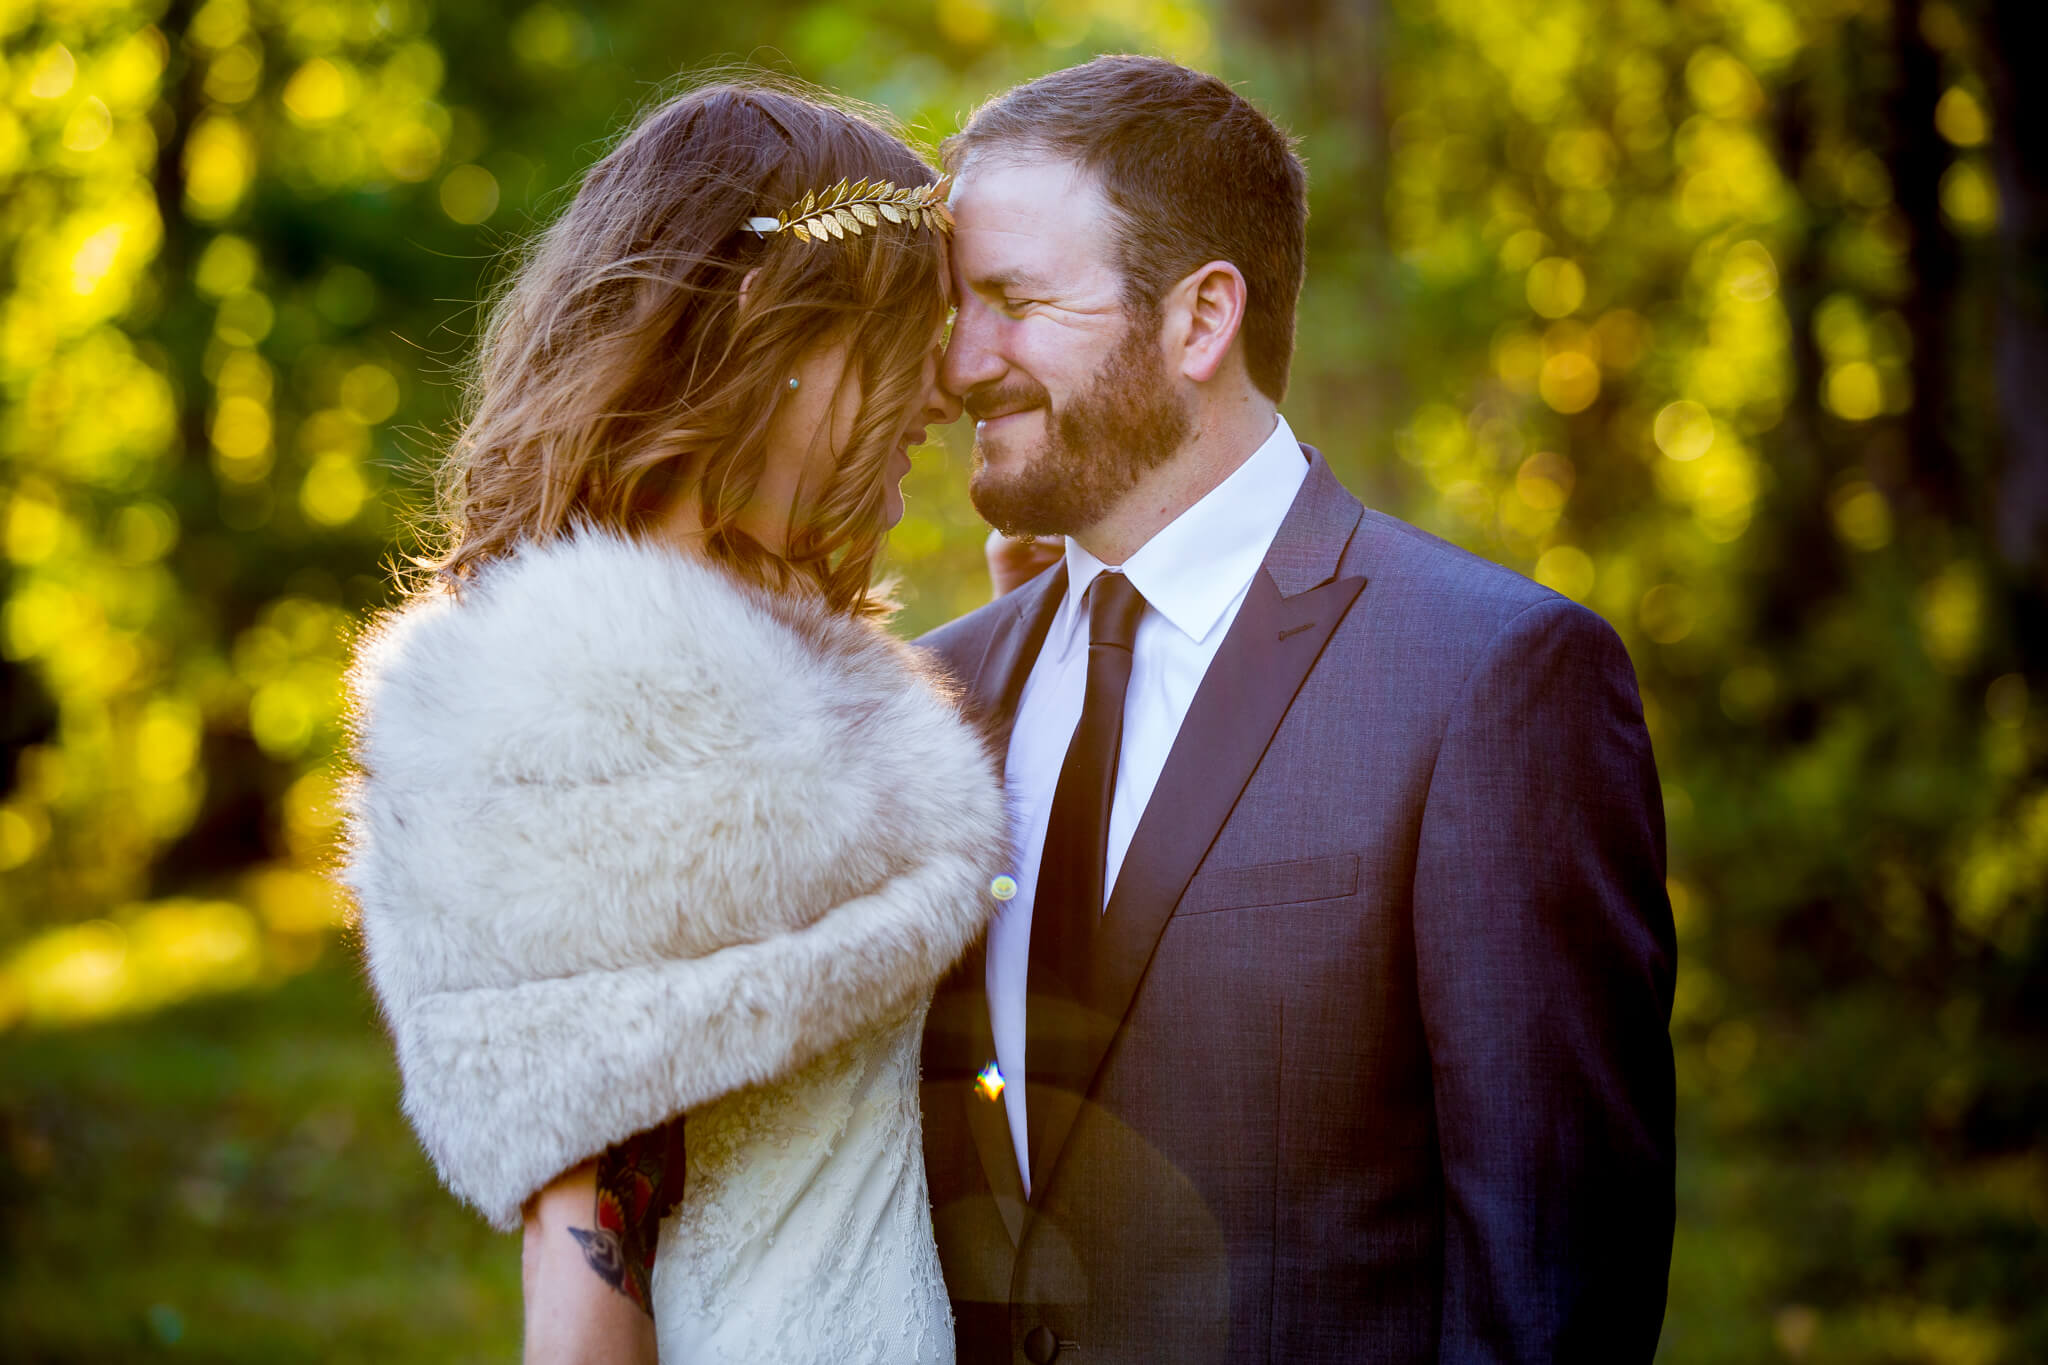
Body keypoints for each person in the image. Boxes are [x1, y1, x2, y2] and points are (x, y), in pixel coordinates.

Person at [918, 56, 1678, 1363]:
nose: (960, 363)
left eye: (1014, 302)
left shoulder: (1488, 679)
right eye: (956, 308)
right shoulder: (937, 695)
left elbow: (1550, 1290)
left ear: (1201, 319)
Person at [339, 83, 1007, 1364]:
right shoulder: (606, 705)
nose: (940, 395)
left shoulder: (750, 676)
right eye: (903, 339)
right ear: (771, 322)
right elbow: (584, 1231)